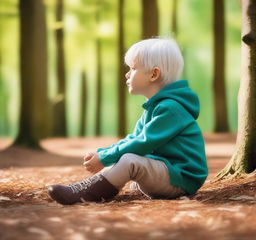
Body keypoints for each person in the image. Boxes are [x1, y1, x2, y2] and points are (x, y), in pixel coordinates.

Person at [48, 37, 209, 205]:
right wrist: (103, 153)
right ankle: (88, 186)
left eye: (133, 68)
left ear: (154, 74)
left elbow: (143, 143)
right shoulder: (153, 108)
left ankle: (88, 194)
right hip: (170, 171)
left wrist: (104, 157)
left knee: (129, 160)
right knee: (126, 155)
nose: (127, 74)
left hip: (181, 179)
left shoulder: (171, 109)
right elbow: (133, 139)